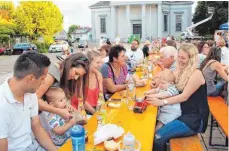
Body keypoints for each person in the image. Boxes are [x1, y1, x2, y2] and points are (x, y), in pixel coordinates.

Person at [146, 43, 209, 151]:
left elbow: (184, 97)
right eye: (178, 57)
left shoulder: (196, 73)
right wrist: (156, 83)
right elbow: (167, 80)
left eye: (183, 58)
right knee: (151, 127)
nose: (179, 60)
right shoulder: (181, 70)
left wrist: (162, 102)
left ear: (191, 59)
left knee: (158, 137)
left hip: (193, 118)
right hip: (181, 112)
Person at [0, 52, 57, 151]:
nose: (44, 82)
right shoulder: (2, 103)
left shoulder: (30, 94)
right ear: (30, 78)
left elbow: (37, 127)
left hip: (33, 145)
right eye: (42, 78)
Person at [36, 53, 90, 119]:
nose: (76, 78)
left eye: (79, 76)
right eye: (76, 73)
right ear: (70, 65)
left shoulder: (65, 74)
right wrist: (59, 111)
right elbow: (34, 100)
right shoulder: (52, 74)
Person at [84, 50, 103, 114]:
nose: (100, 65)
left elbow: (101, 96)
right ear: (88, 63)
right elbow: (81, 100)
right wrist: (95, 113)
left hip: (96, 109)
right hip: (84, 111)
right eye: (97, 62)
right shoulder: (81, 77)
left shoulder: (98, 75)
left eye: (101, 62)